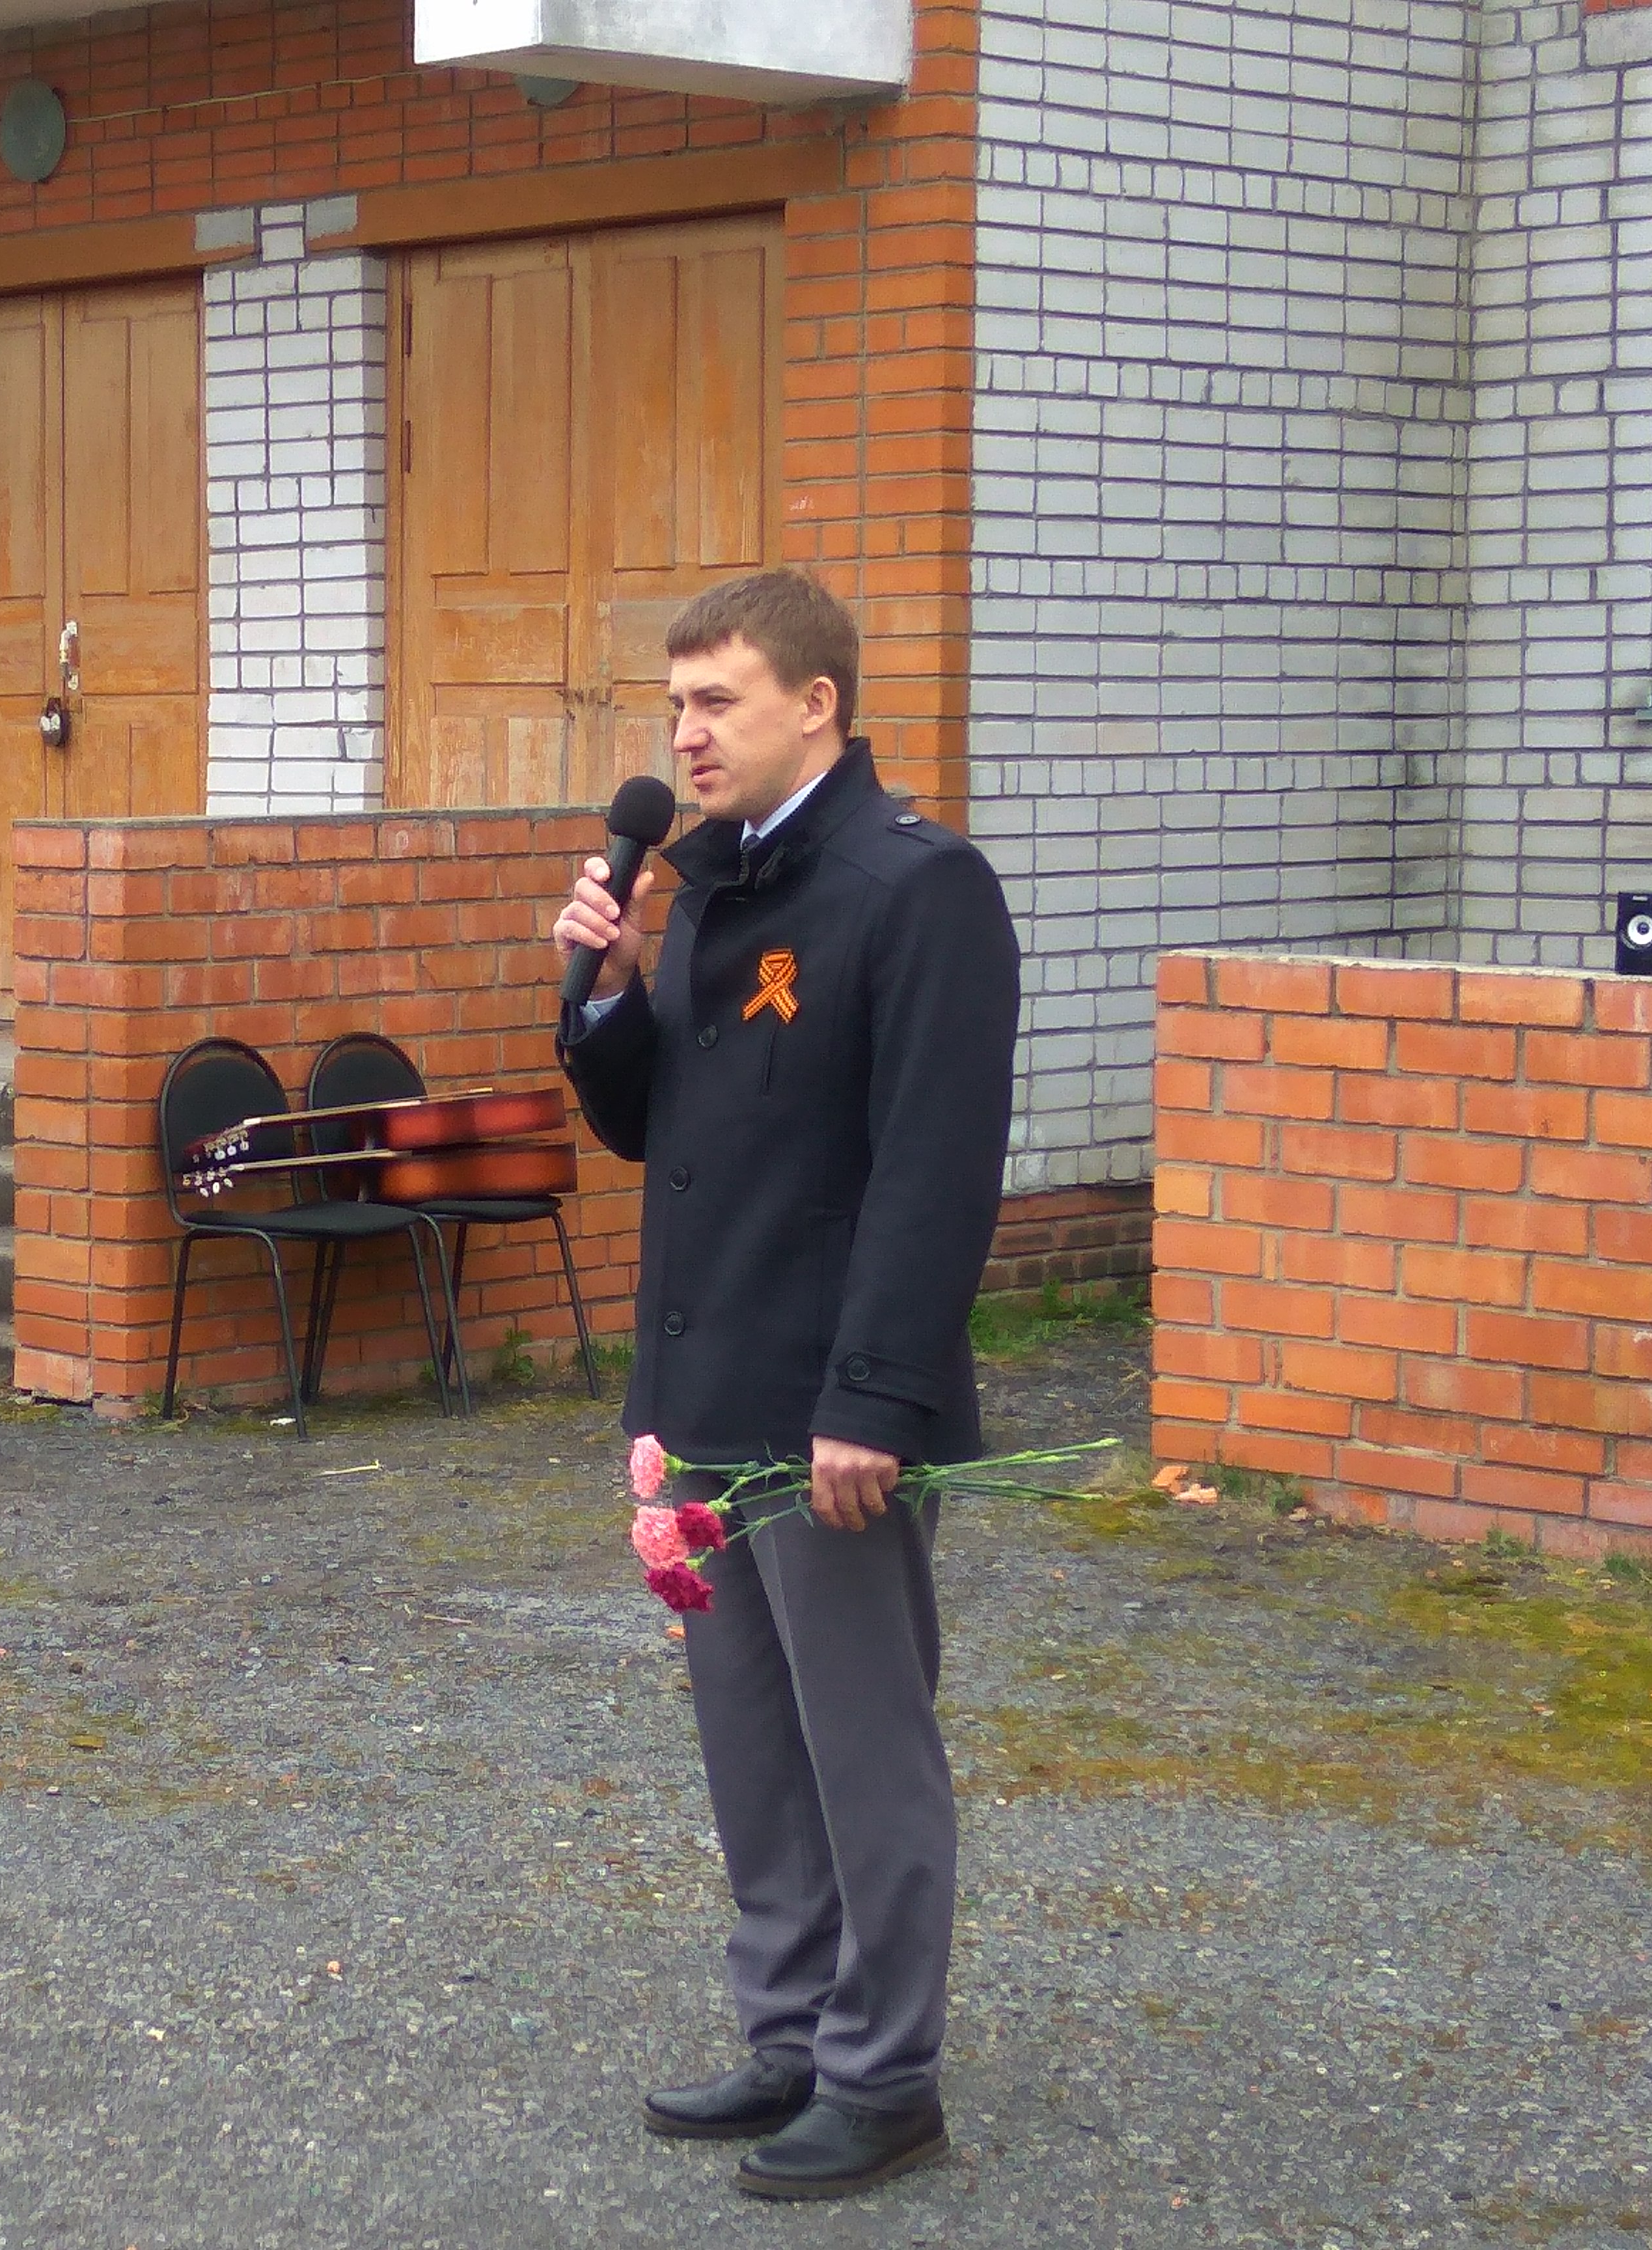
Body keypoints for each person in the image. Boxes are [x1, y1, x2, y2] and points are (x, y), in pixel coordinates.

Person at [551, 570, 1021, 2202]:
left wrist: (874, 1398)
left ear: (817, 703)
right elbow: (664, 1133)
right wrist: (609, 989)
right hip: (708, 1385)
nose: (684, 735)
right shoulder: (707, 883)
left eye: (718, 701)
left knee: (862, 1747)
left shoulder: (915, 887)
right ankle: (791, 2032)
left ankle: (884, 2075)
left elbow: (934, 1171)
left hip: (829, 1408)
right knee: (753, 1742)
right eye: (675, 705)